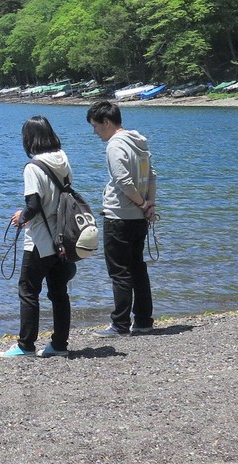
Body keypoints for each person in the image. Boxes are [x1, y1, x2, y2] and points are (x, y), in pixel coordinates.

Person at [0, 115, 72, 358]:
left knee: (28, 291)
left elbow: (33, 204)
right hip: (62, 237)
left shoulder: (33, 167)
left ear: (29, 139)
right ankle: (59, 344)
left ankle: (26, 345)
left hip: (40, 239)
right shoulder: (63, 159)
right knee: (59, 293)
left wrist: (20, 218)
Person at [86, 100, 157, 337]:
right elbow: (152, 176)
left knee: (119, 271)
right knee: (138, 268)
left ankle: (120, 324)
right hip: (138, 217)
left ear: (106, 122)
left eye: (95, 126)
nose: (95, 132)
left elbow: (123, 181)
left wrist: (141, 203)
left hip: (120, 215)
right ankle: (144, 320)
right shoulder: (139, 142)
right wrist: (149, 204)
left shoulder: (115, 145)